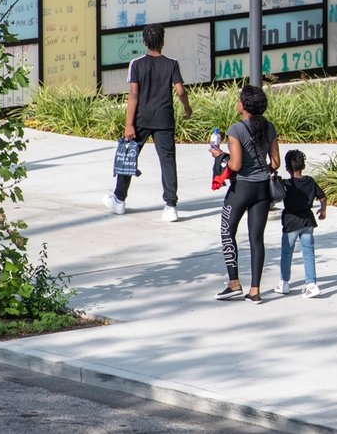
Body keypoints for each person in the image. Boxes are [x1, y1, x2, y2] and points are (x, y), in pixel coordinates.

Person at [105, 23, 192, 220]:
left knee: (129, 157)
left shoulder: (136, 64)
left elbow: (134, 94)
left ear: (144, 42)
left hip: (141, 119)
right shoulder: (172, 64)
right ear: (163, 41)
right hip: (164, 119)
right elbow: (180, 90)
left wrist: (129, 124)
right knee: (167, 161)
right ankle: (171, 206)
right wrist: (187, 108)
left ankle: (119, 200)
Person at [210, 85, 281, 303]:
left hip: (241, 188)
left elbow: (237, 164)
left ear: (244, 105)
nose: (237, 102)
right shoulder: (269, 127)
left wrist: (219, 155)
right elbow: (276, 163)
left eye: (239, 99)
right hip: (262, 190)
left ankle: (233, 283)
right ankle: (255, 291)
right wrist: (261, 172)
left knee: (227, 230)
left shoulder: (236, 129)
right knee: (256, 239)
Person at [275, 149, 327, 299]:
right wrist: (323, 211)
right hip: (308, 221)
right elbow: (322, 198)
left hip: (291, 222)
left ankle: (284, 283)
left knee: (287, 252)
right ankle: (311, 284)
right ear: (303, 166)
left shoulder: (286, 184)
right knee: (308, 253)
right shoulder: (310, 181)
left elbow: (274, 196)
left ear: (286, 168)